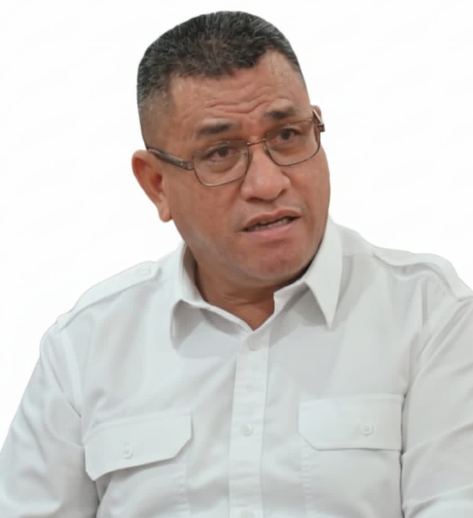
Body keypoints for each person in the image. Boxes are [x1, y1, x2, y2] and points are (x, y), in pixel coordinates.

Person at [1, 10, 473, 517]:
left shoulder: (430, 317)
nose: (268, 183)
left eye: (287, 135)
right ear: (157, 184)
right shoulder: (86, 345)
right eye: (220, 152)